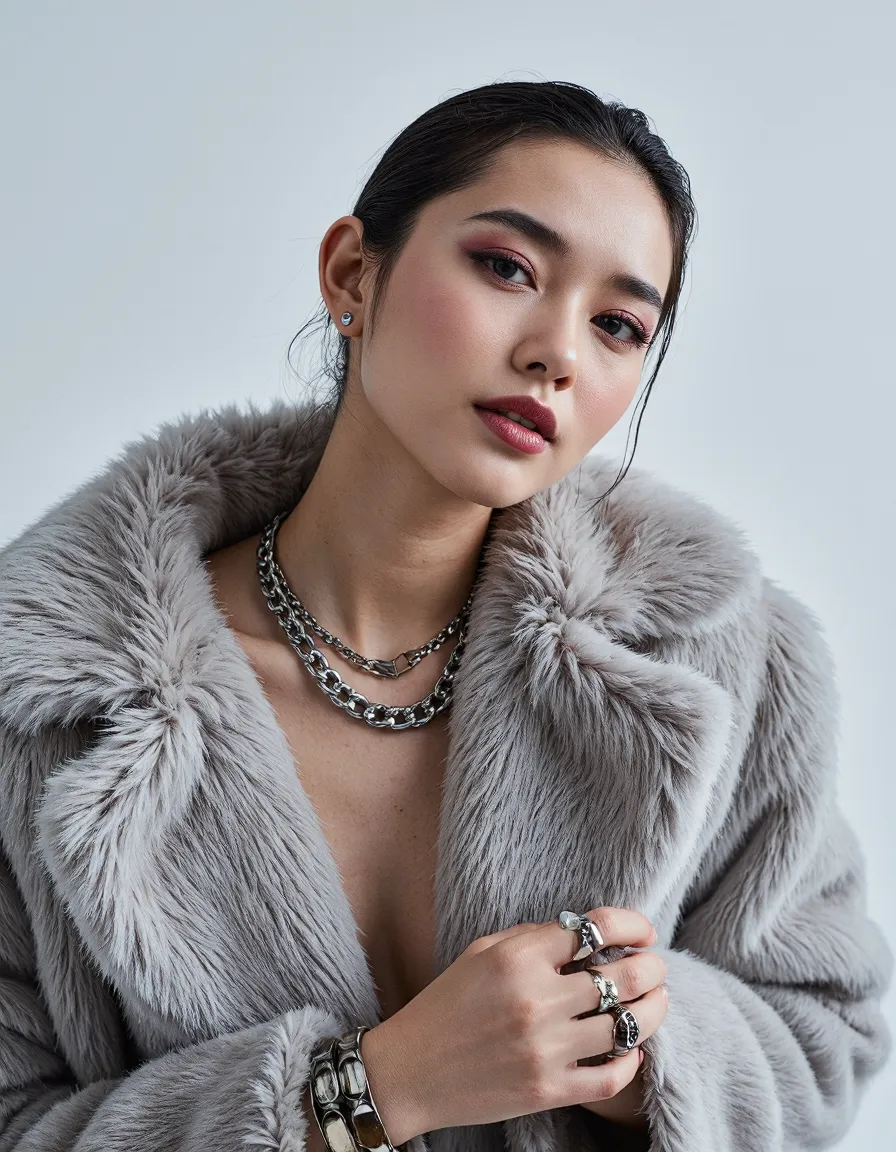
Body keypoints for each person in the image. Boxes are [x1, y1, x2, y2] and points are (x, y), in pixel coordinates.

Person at [0, 79, 891, 1152]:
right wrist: (373, 1091)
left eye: (617, 325)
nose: (557, 352)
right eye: (507, 267)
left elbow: (824, 1033)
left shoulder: (725, 660)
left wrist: (628, 1049)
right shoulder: (39, 700)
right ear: (351, 273)